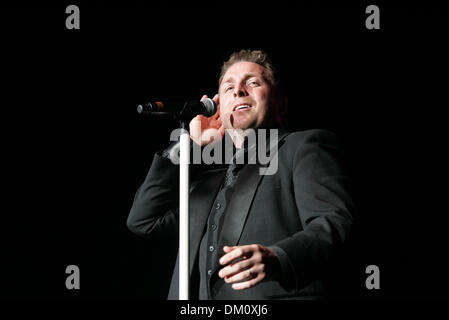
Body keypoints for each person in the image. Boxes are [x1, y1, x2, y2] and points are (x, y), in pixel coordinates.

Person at [127, 49, 355, 300]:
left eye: (253, 82)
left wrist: (279, 258)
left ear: (280, 100)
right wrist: (190, 145)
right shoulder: (208, 184)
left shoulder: (303, 147)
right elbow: (143, 221)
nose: (238, 91)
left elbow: (336, 223)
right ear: (219, 109)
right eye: (228, 88)